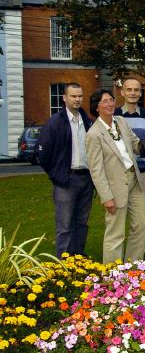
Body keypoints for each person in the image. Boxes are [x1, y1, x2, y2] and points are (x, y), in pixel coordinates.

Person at [85, 89, 145, 264]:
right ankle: (113, 272)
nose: (109, 104)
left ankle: (133, 267)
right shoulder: (93, 134)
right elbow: (96, 170)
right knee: (115, 233)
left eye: (111, 100)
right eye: (104, 101)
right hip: (115, 188)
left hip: (135, 180)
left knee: (141, 226)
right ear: (96, 107)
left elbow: (138, 146)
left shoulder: (121, 121)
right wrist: (106, 197)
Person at [37, 83, 93, 257]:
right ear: (64, 98)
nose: (77, 99)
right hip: (65, 180)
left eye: (80, 96)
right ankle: (64, 264)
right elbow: (43, 154)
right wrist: (56, 174)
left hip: (86, 179)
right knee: (65, 225)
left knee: (82, 223)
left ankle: (78, 260)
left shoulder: (87, 121)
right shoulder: (55, 122)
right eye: (73, 96)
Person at [114, 78, 145, 206]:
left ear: (140, 93)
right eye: (129, 90)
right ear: (122, 92)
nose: (133, 93)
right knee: (118, 217)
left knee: (141, 220)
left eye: (136, 90)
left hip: (143, 174)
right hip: (119, 174)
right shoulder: (113, 115)